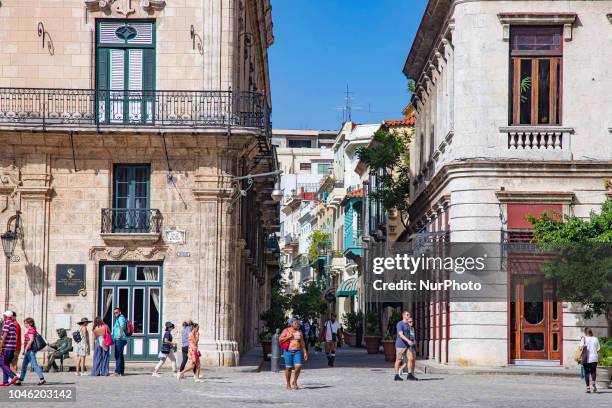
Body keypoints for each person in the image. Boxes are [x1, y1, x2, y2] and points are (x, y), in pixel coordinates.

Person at [279, 317, 308, 389]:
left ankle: (295, 381)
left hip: (297, 351)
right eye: (295, 323)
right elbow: (280, 339)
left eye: (297, 323)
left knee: (298, 367)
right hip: (288, 351)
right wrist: (288, 337)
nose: (297, 324)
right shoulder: (286, 330)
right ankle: (288, 384)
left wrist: (305, 352)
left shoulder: (299, 332)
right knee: (288, 368)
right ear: (291, 324)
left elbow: (302, 342)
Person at [16, 317, 45, 385]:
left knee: (34, 365)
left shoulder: (31, 330)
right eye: (25, 323)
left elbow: (31, 340)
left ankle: (42, 379)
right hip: (29, 350)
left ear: (30, 323)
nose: (25, 324)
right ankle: (20, 380)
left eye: (26, 323)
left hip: (30, 350)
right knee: (24, 365)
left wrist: (26, 348)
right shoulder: (31, 329)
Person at [394, 311, 417, 381]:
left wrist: (413, 341)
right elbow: (401, 335)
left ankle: (410, 375)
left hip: (408, 346)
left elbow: (411, 335)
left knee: (411, 359)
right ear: (403, 316)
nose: (408, 316)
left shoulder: (408, 325)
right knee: (398, 360)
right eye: (407, 315)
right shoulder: (400, 324)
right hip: (400, 345)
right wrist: (408, 341)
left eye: (409, 315)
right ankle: (396, 375)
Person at [0, 310, 19, 386]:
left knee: (1, 363)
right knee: (6, 364)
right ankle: (5, 381)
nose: (3, 317)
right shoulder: (13, 324)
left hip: (7, 347)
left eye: (4, 316)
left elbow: (5, 334)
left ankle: (13, 376)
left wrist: (1, 345)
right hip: (11, 348)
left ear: (7, 317)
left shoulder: (7, 323)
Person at [581, 328, 601, 393]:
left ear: (585, 332)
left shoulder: (583, 339)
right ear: (591, 332)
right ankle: (593, 382)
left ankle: (588, 388)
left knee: (586, 372)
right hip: (594, 358)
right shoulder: (596, 339)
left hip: (586, 358)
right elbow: (598, 349)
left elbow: (580, 348)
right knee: (593, 371)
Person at [112, 307, 127, 376]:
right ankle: (121, 371)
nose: (115, 314)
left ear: (120, 312)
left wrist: (120, 335)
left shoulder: (121, 318)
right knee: (120, 355)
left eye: (116, 312)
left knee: (118, 355)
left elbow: (122, 326)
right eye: (114, 313)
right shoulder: (119, 318)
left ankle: (118, 372)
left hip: (120, 339)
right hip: (118, 338)